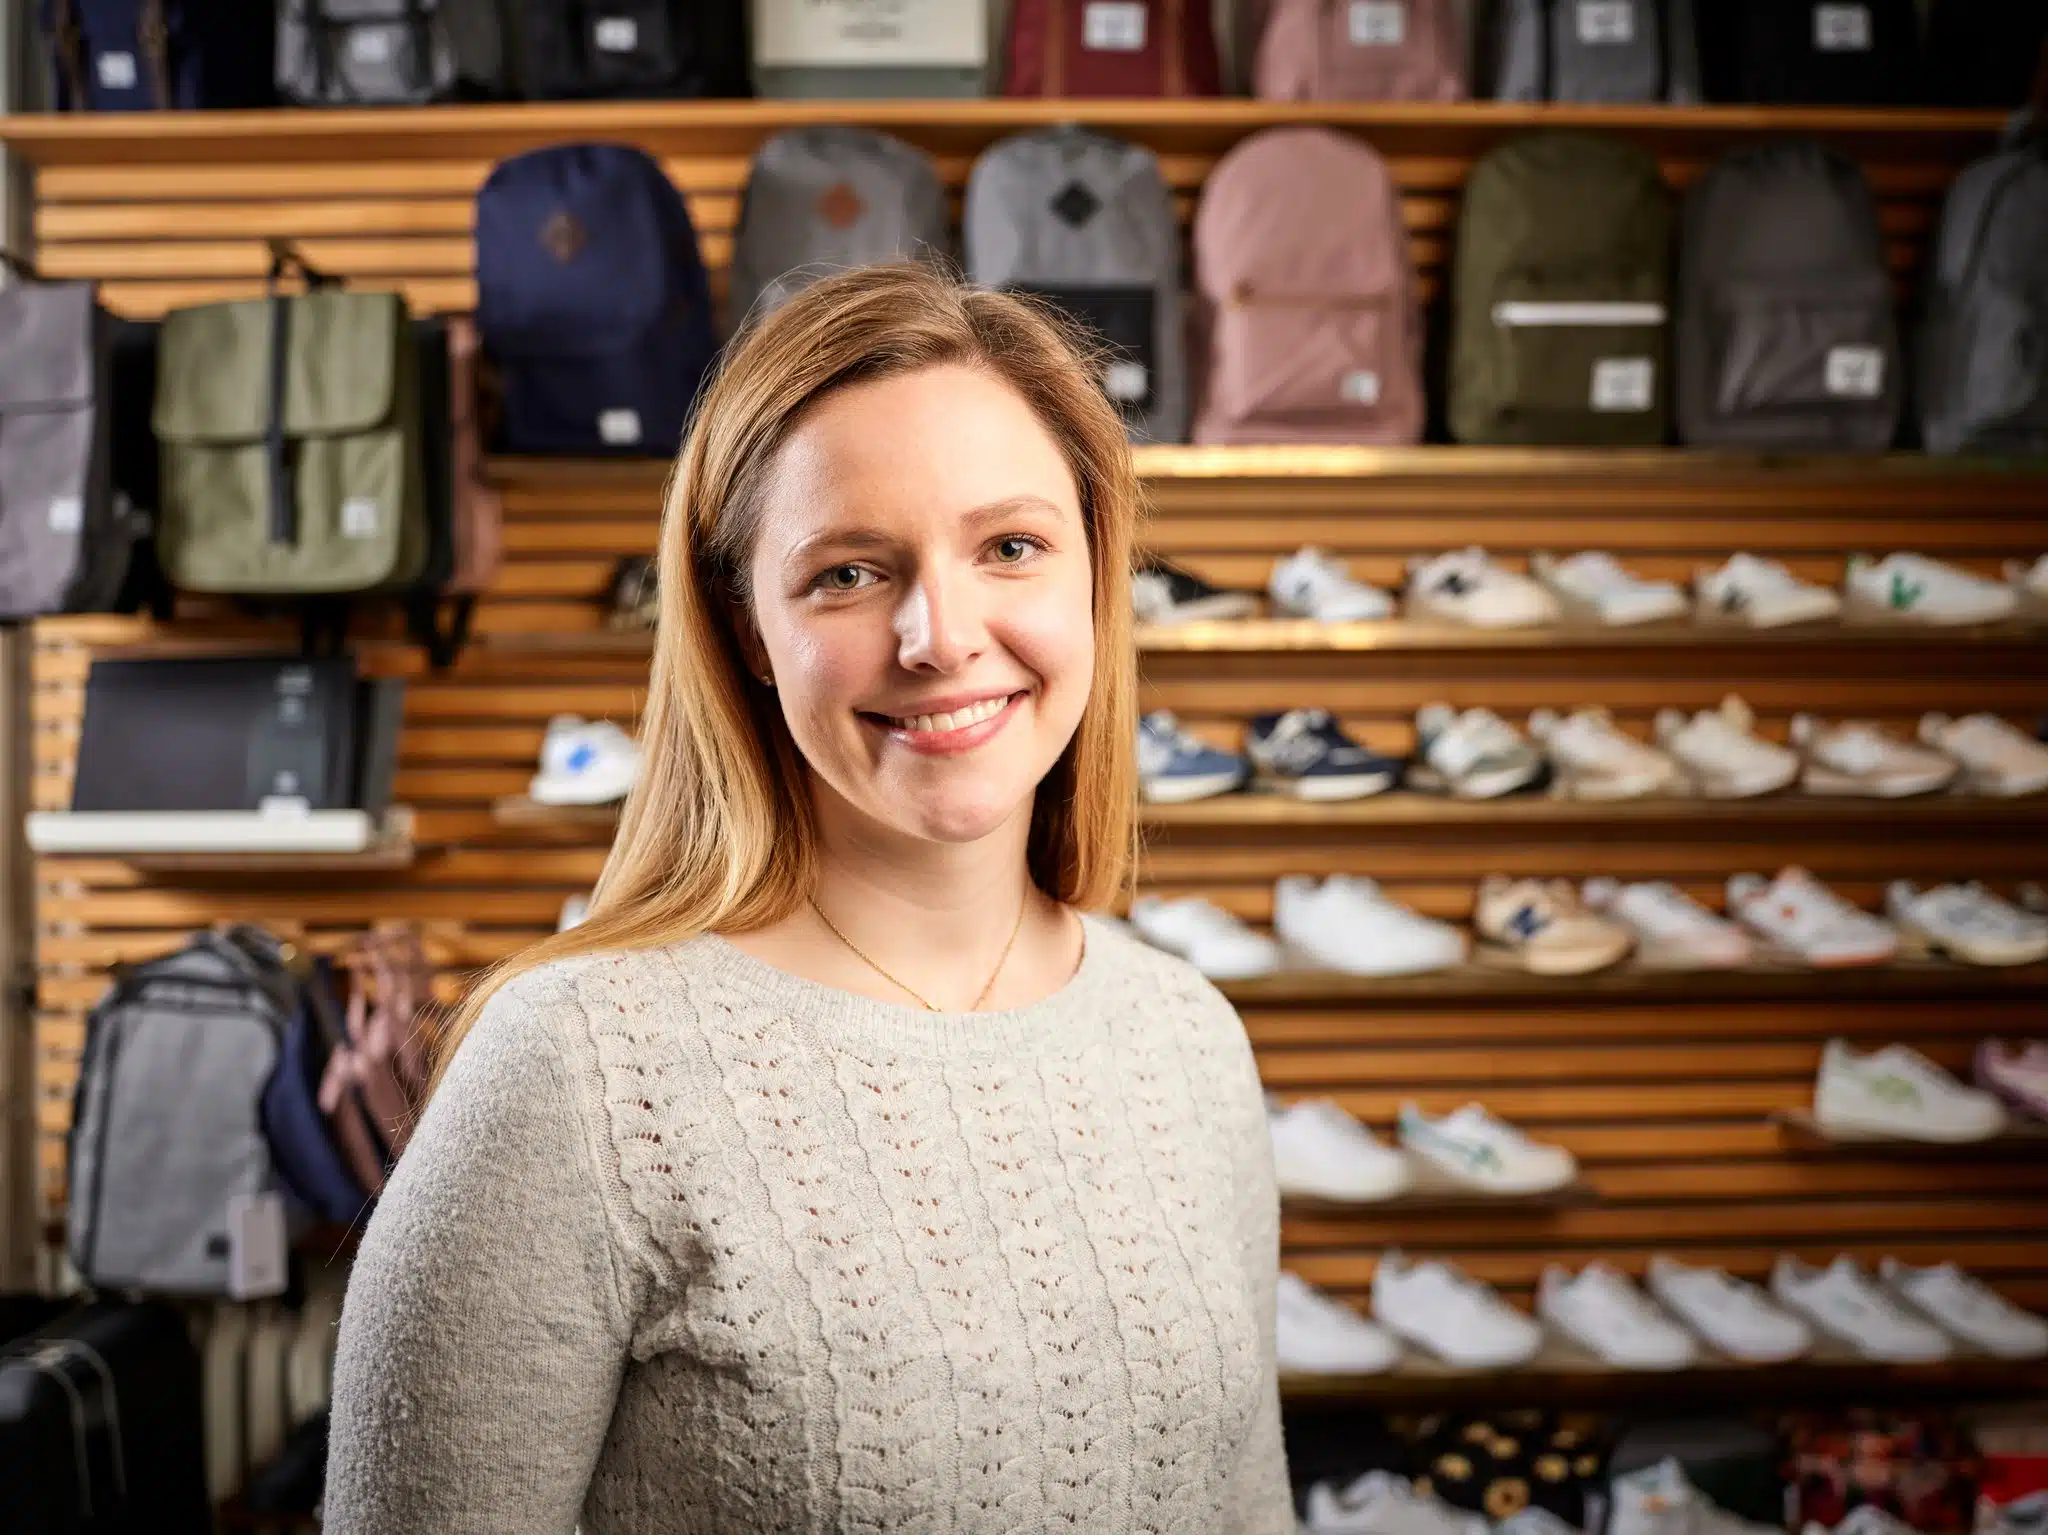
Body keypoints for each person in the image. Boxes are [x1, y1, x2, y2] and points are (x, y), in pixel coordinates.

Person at [325, 264, 1292, 1532]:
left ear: (1097, 577)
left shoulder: (1185, 1039)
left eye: (1010, 546)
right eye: (847, 572)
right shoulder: (575, 1075)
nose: (940, 635)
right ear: (743, 632)